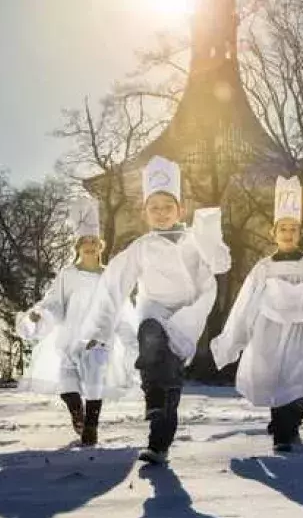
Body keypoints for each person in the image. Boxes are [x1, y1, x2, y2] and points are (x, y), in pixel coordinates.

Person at [81, 155, 230, 464]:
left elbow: (220, 264)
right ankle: (152, 395)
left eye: (167, 207)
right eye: (154, 208)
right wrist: (98, 332)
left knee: (171, 386)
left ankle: (159, 445)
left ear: (180, 209)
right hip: (154, 312)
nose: (161, 213)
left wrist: (210, 235)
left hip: (186, 318)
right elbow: (113, 284)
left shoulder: (194, 241)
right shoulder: (142, 246)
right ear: (145, 212)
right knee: (150, 335)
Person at [211, 175, 303, 452]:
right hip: (270, 331)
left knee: (298, 378)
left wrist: (302, 301)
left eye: (293, 228)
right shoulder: (264, 267)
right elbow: (246, 300)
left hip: (300, 331)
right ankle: (281, 433)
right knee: (276, 378)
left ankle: (290, 424)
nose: (288, 233)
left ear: (300, 232)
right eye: (283, 228)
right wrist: (236, 336)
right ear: (273, 233)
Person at [16, 197, 136, 447]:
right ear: (78, 247)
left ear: (100, 246)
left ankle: (91, 426)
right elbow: (55, 303)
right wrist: (42, 315)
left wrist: (130, 337)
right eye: (85, 242)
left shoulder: (109, 276)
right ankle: (77, 414)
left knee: (94, 379)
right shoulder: (67, 275)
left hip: (98, 337)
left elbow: (120, 308)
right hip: (71, 336)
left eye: (94, 242)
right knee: (67, 382)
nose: (90, 246)